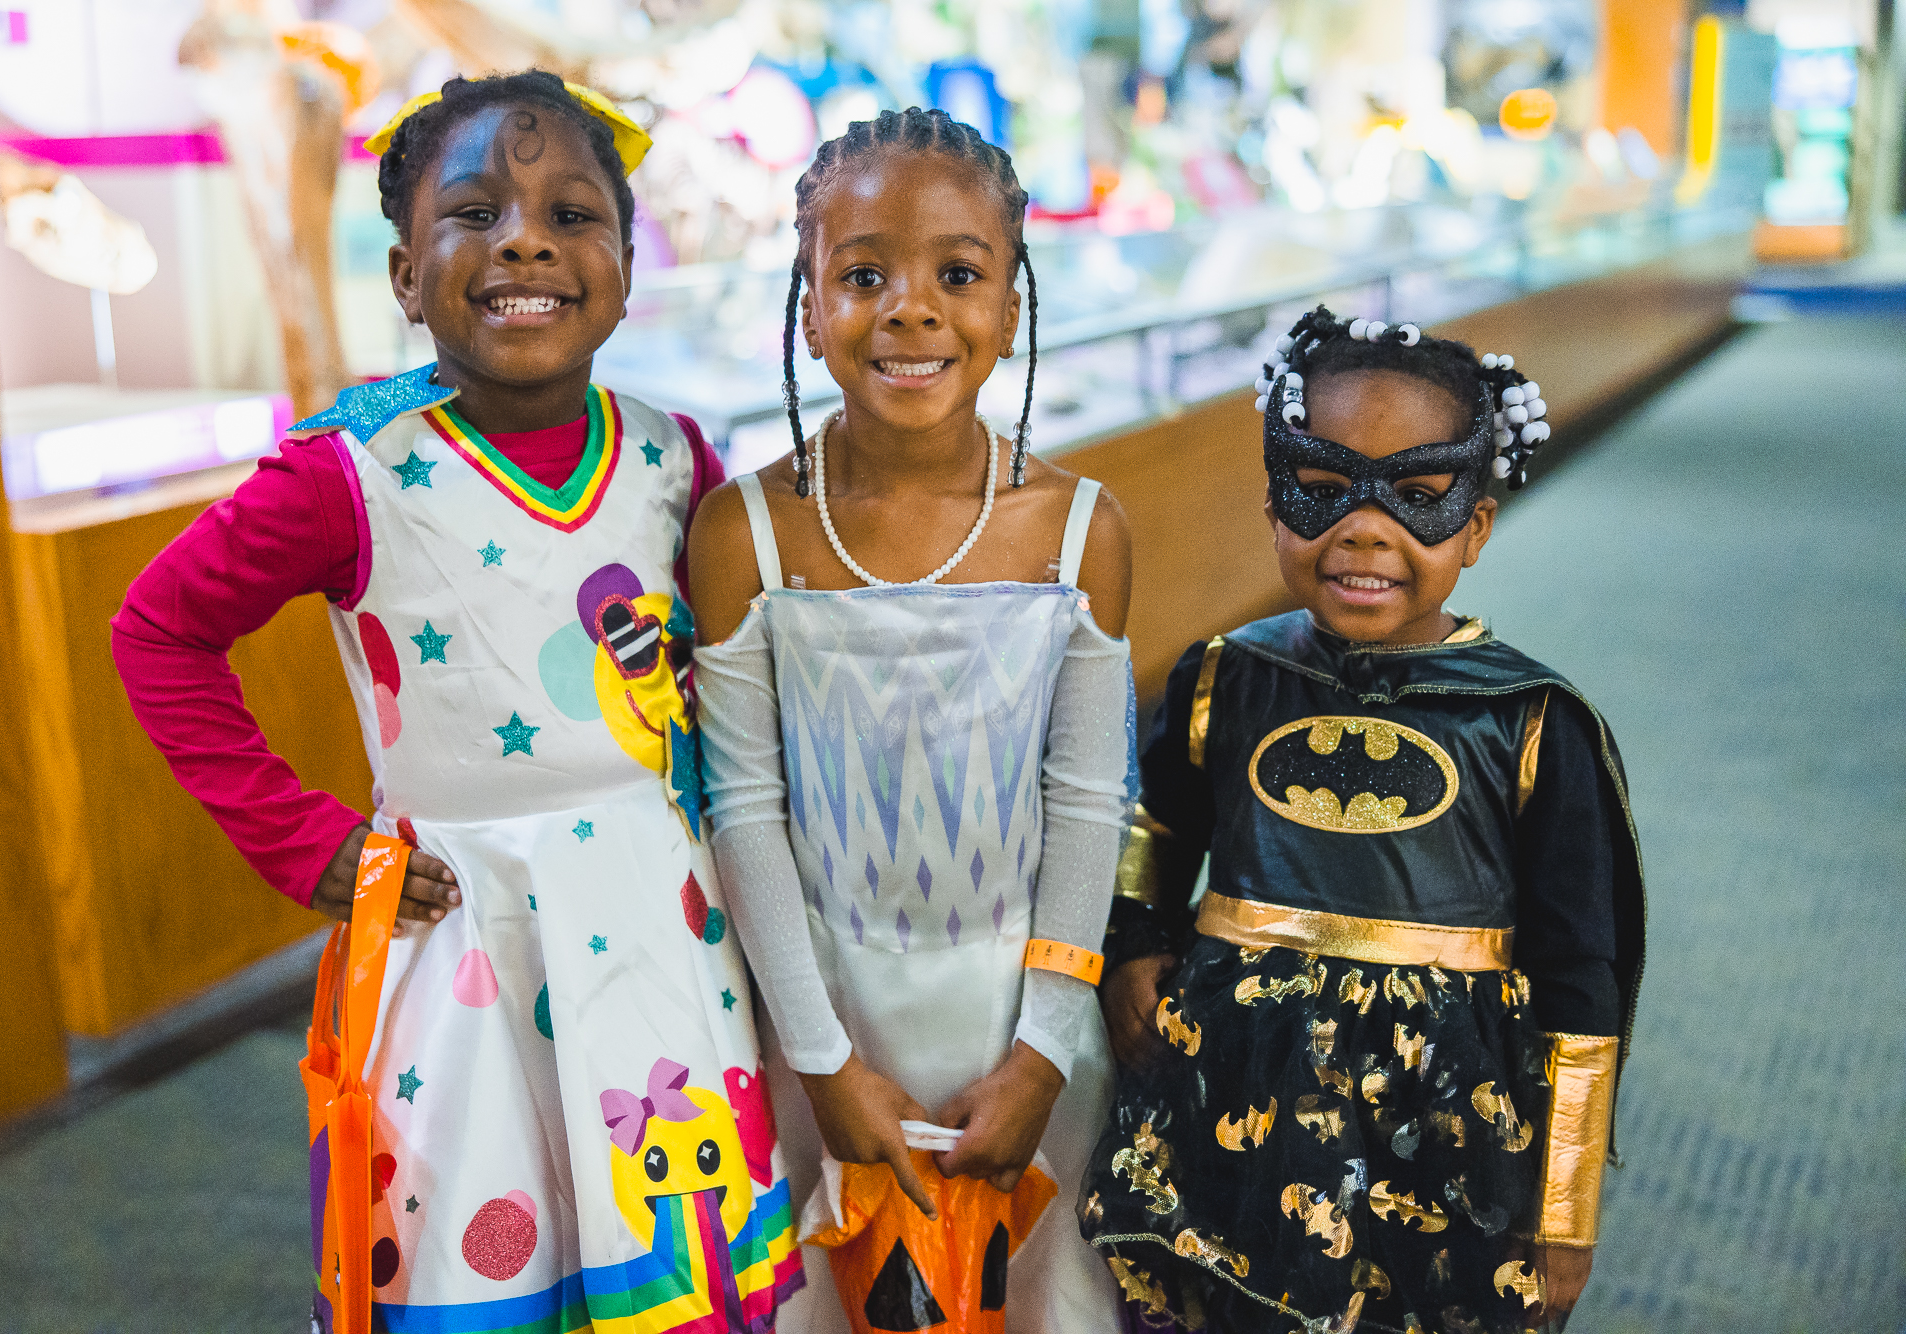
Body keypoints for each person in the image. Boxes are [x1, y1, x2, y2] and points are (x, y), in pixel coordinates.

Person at [112, 71, 802, 1333]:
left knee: (675, 1248)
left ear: (629, 259)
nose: (524, 240)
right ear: (400, 272)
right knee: (480, 1249)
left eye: (570, 213)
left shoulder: (677, 456)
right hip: (469, 941)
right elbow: (159, 629)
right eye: (474, 212)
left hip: (663, 928)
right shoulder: (348, 473)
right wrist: (302, 837)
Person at [1081, 307, 1644, 1334]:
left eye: (1419, 499)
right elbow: (1149, 837)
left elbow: (1581, 971)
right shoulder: (1223, 677)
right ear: (1272, 503)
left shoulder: (1525, 720)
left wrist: (1562, 1204)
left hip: (1433, 1120)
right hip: (1234, 1087)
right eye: (1323, 491)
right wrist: (1133, 947)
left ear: (1474, 526)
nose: (1365, 530)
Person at [687, 107, 1136, 1331]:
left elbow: (1089, 800)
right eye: (862, 275)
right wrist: (822, 1059)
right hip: (826, 1009)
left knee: (1030, 1285)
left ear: (1010, 302)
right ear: (805, 304)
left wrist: (1045, 1046)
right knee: (842, 1290)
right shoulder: (747, 535)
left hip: (1021, 1012)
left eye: (956, 274)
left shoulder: (1080, 529)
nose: (910, 309)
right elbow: (745, 804)